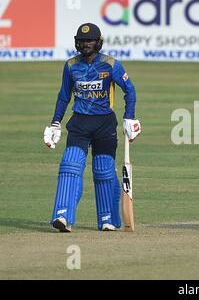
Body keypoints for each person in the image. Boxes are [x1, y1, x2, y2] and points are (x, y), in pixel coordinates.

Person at [43, 23, 141, 232]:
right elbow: (63, 96)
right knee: (70, 165)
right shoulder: (71, 65)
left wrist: (129, 117)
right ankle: (63, 216)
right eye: (82, 41)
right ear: (77, 42)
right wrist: (55, 122)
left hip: (104, 123)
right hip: (79, 122)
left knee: (104, 170)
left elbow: (130, 90)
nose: (86, 44)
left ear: (98, 42)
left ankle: (108, 219)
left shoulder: (110, 64)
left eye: (90, 41)